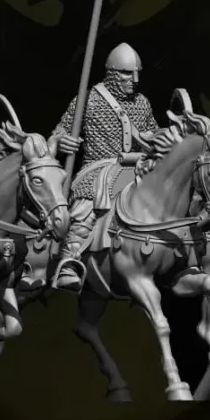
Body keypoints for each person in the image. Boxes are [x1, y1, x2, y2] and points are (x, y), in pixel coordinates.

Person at [49, 42, 159, 292]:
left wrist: (158, 137)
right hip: (99, 168)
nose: (134, 80)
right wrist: (60, 141)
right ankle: (70, 260)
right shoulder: (88, 100)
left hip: (138, 167)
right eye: (127, 74)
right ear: (112, 73)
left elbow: (154, 130)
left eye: (137, 74)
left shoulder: (142, 102)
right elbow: (59, 132)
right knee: (86, 204)